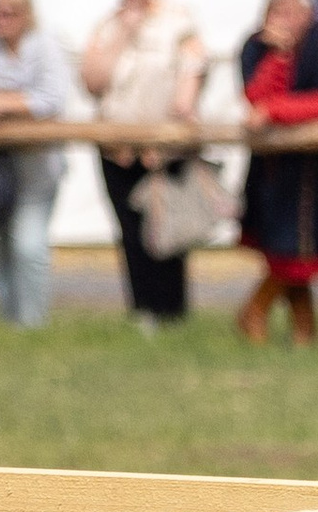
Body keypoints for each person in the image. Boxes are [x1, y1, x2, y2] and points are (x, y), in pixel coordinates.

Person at [233, 0, 318, 345]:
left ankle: (261, 313)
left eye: (294, 13)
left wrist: (275, 110)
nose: (286, 21)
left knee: (300, 250)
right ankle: (298, 329)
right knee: (285, 250)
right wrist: (280, 57)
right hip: (272, 170)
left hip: (314, 170)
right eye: (279, 13)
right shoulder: (256, 46)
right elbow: (255, 96)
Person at [78, 0, 205, 328]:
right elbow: (92, 83)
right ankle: (143, 311)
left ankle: (173, 313)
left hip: (163, 150)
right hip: (117, 150)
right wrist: (123, 32)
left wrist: (170, 134)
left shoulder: (177, 22)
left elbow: (192, 73)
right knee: (131, 231)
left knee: (167, 231)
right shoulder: (109, 26)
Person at [0, 0, 66, 328]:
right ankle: (11, 320)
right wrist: (21, 101)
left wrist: (3, 103)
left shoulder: (45, 46)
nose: (2, 20)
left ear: (26, 14)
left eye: (10, 13)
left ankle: (32, 324)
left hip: (37, 168)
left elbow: (53, 98)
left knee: (28, 243)